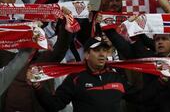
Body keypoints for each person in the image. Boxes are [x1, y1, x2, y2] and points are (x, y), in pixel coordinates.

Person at [28, 37, 158, 112]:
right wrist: (38, 87)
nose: (102, 54)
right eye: (96, 50)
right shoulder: (75, 78)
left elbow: (140, 97)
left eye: (104, 50)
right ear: (86, 55)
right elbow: (54, 105)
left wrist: (161, 82)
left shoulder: (116, 77)